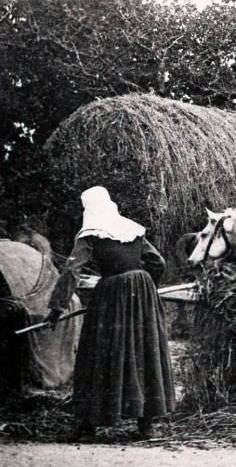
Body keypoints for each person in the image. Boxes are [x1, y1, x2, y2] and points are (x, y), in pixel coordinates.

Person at [45, 186, 175, 441]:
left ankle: (88, 426)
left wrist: (56, 308)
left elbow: (72, 272)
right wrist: (146, 289)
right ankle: (145, 426)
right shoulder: (132, 229)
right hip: (143, 292)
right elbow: (157, 262)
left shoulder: (91, 234)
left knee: (99, 354)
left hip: (112, 297)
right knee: (142, 351)